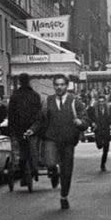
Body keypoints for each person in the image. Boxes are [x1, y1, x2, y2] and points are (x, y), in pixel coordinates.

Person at [43, 74, 87, 209]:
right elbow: (41, 119)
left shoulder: (75, 101)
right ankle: (53, 171)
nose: (59, 87)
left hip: (68, 141)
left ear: (67, 86)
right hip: (52, 138)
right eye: (56, 85)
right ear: (53, 86)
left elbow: (86, 119)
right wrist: (32, 130)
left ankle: (64, 196)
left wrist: (81, 123)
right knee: (50, 161)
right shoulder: (48, 101)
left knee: (67, 171)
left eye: (62, 84)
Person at [7, 73, 43, 189]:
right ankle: (34, 169)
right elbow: (39, 114)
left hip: (19, 130)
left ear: (19, 82)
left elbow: (11, 115)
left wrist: (12, 129)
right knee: (33, 151)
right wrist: (35, 127)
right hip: (32, 129)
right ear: (29, 82)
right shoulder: (35, 95)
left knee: (21, 153)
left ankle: (24, 174)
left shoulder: (14, 96)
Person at [87, 93, 111, 172]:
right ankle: (99, 143)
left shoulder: (108, 109)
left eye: (103, 101)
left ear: (105, 102)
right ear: (98, 102)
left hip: (106, 130)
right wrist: (92, 123)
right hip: (98, 131)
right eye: (100, 102)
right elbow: (87, 115)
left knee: (106, 149)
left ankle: (103, 164)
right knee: (100, 145)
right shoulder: (94, 109)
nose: (101, 103)